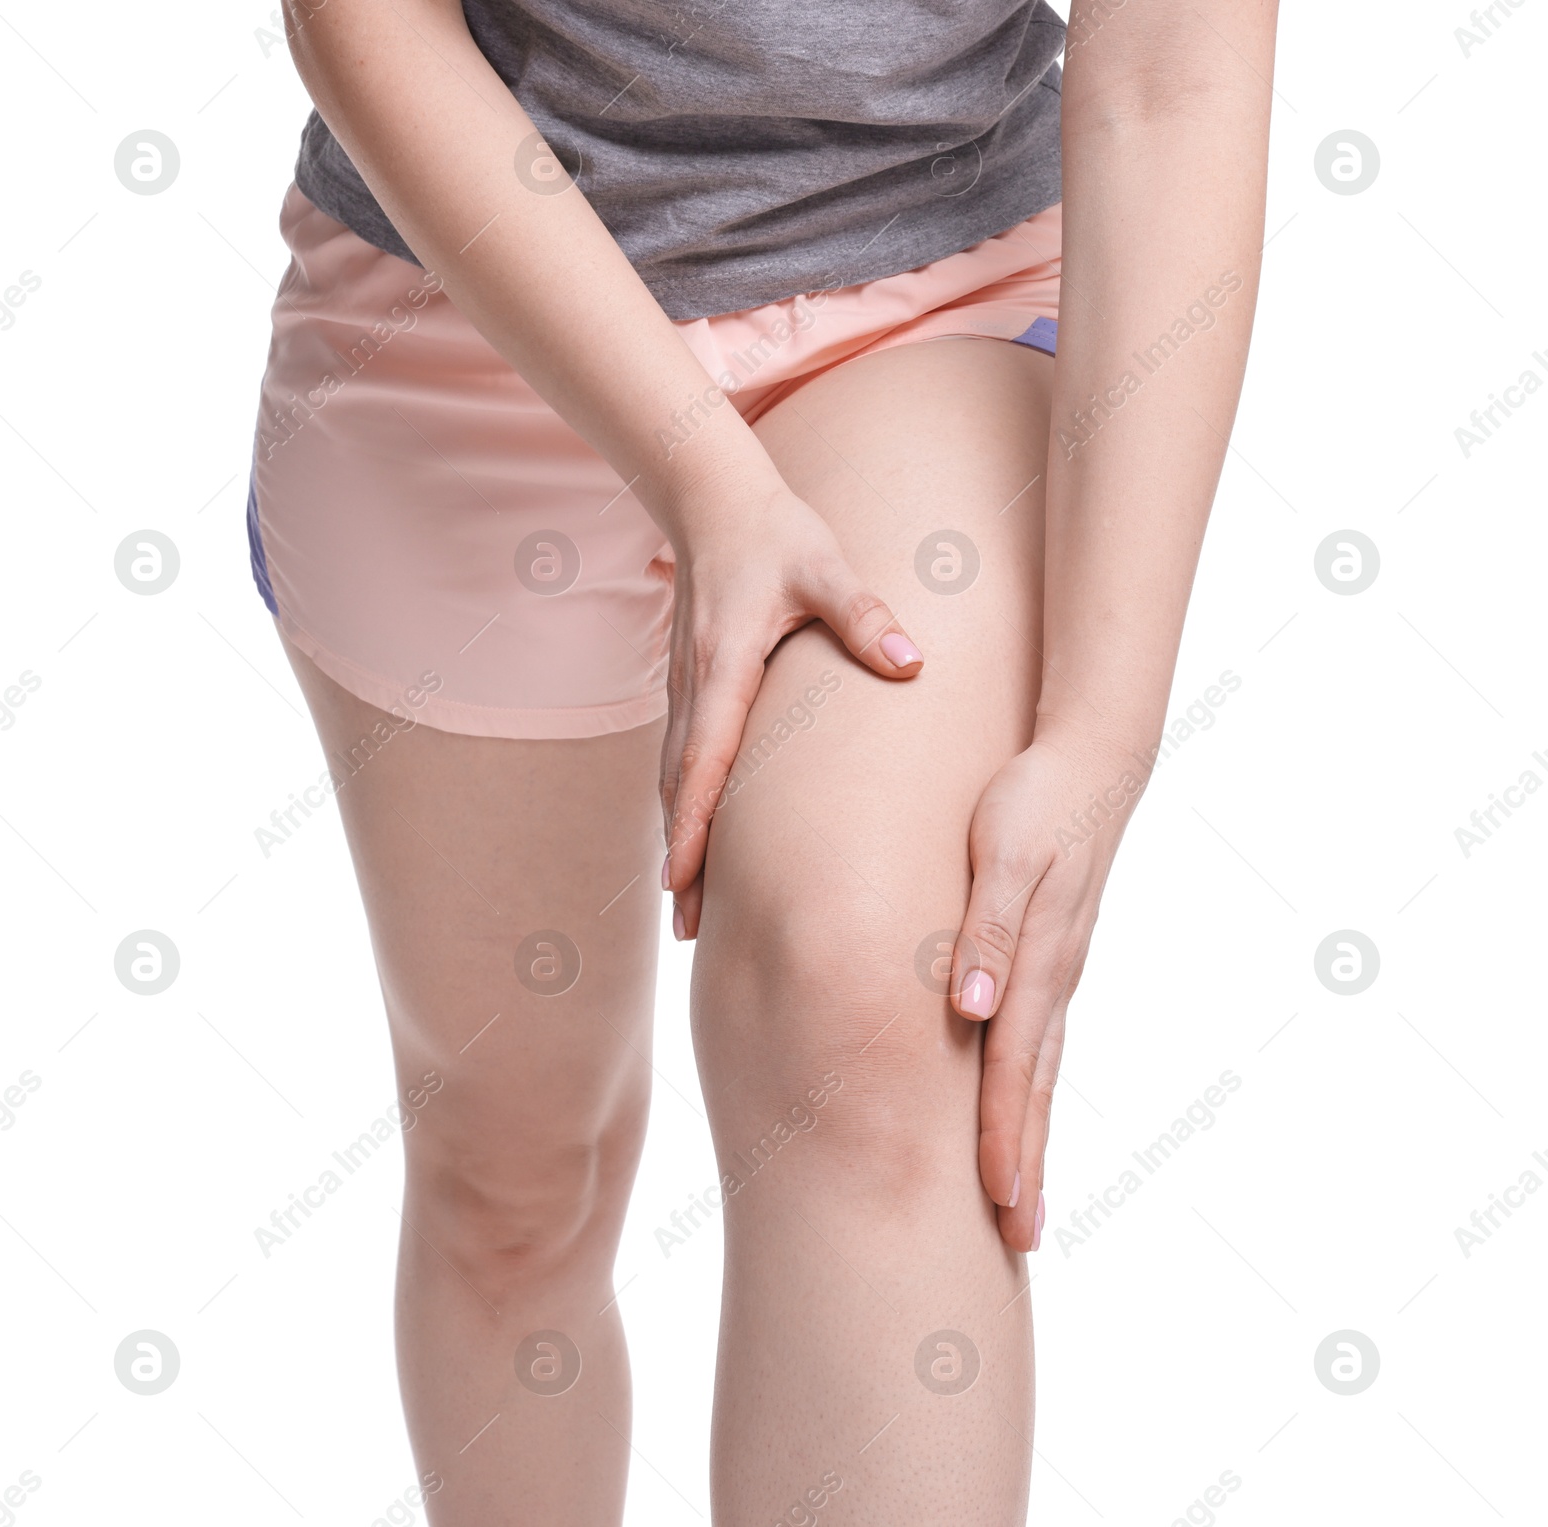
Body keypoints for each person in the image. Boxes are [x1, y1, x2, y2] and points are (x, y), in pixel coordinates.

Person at [245, 0, 1279, 1519]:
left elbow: (1176, 71)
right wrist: (700, 480)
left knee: (864, 997)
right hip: (465, 292)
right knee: (516, 1178)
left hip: (923, 292)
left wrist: (1105, 729)